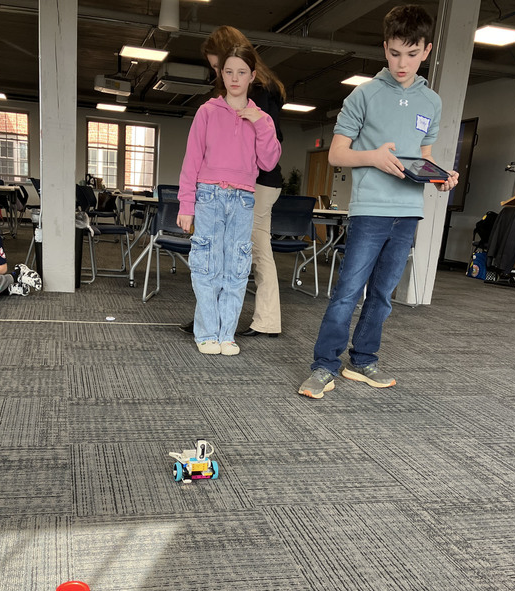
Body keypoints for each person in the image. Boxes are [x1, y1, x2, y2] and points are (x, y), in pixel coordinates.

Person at [298, 4, 458, 399]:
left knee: (383, 295)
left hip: (408, 213)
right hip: (371, 210)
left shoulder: (432, 102)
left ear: (427, 50)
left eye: (412, 53)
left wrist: (441, 176)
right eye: (394, 52)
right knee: (348, 292)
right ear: (384, 47)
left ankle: (363, 359)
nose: (402, 62)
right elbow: (336, 154)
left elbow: (423, 155)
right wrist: (373, 157)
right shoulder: (364, 94)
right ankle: (323, 366)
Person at [181, 26, 286, 338]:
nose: (220, 73)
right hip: (227, 185)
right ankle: (210, 322)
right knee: (220, 253)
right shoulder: (214, 107)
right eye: (219, 69)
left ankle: (265, 321)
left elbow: (271, 145)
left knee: (249, 251)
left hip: (258, 183)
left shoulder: (260, 93)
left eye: (218, 65)